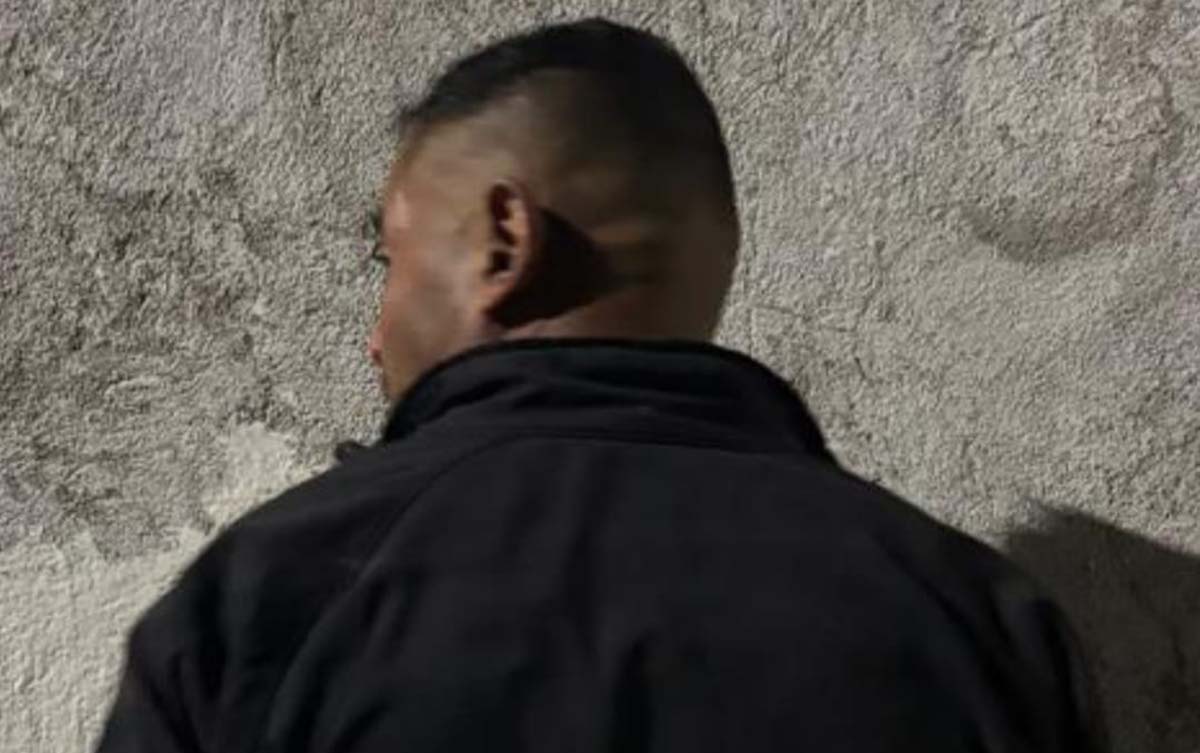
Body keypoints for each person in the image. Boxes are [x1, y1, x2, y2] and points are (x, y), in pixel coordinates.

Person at [96, 18, 1107, 753]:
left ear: (504, 240)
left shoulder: (272, 600)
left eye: (389, 262)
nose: (373, 338)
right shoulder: (980, 625)